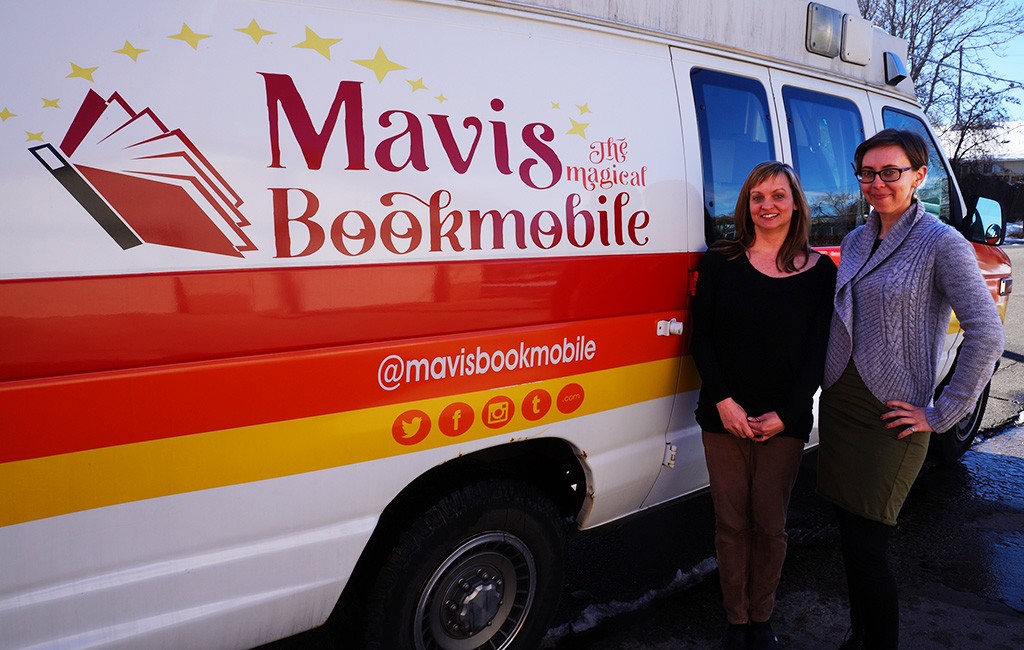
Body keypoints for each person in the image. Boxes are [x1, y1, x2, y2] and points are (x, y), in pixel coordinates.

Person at [817, 129, 1004, 650]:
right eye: (868, 173)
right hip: (841, 400)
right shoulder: (856, 238)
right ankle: (860, 637)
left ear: (919, 176)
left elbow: (988, 335)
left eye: (891, 172)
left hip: (892, 411)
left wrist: (942, 413)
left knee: (868, 542)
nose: (878, 183)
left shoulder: (942, 242)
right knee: (849, 538)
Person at [692, 161, 837, 650]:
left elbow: (820, 351)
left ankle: (761, 619)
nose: (767, 205)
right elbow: (702, 340)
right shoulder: (719, 262)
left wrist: (789, 413)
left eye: (778, 195)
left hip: (786, 419)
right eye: (757, 197)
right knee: (731, 524)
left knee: (769, 524)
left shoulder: (821, 272)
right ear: (746, 205)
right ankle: (736, 621)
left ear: (796, 203)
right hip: (723, 416)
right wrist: (725, 404)